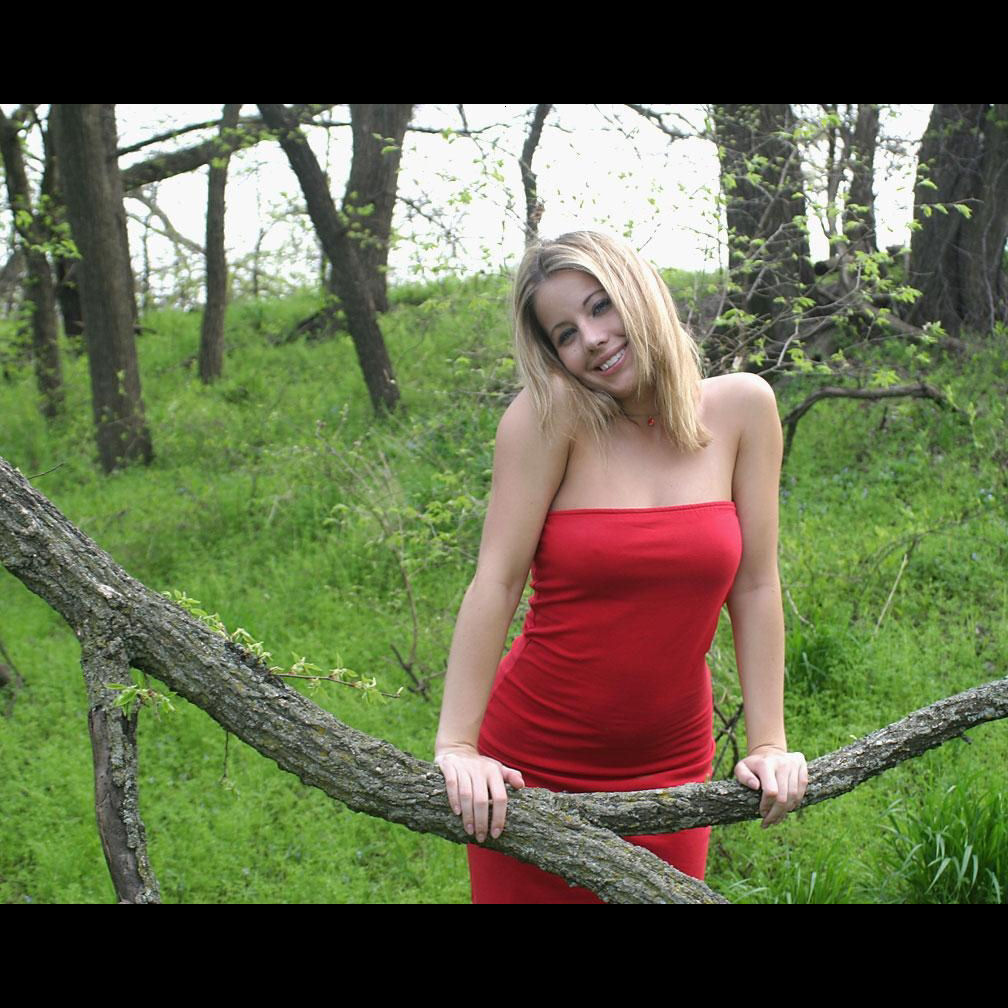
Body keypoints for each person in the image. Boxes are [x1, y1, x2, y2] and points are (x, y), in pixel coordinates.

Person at [434, 231, 807, 903]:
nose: (592, 339)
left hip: (672, 769)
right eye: (565, 334)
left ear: (640, 291)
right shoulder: (549, 417)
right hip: (531, 768)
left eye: (600, 306)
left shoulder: (744, 408)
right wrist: (459, 746)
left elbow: (755, 585)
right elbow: (496, 580)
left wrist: (769, 744)